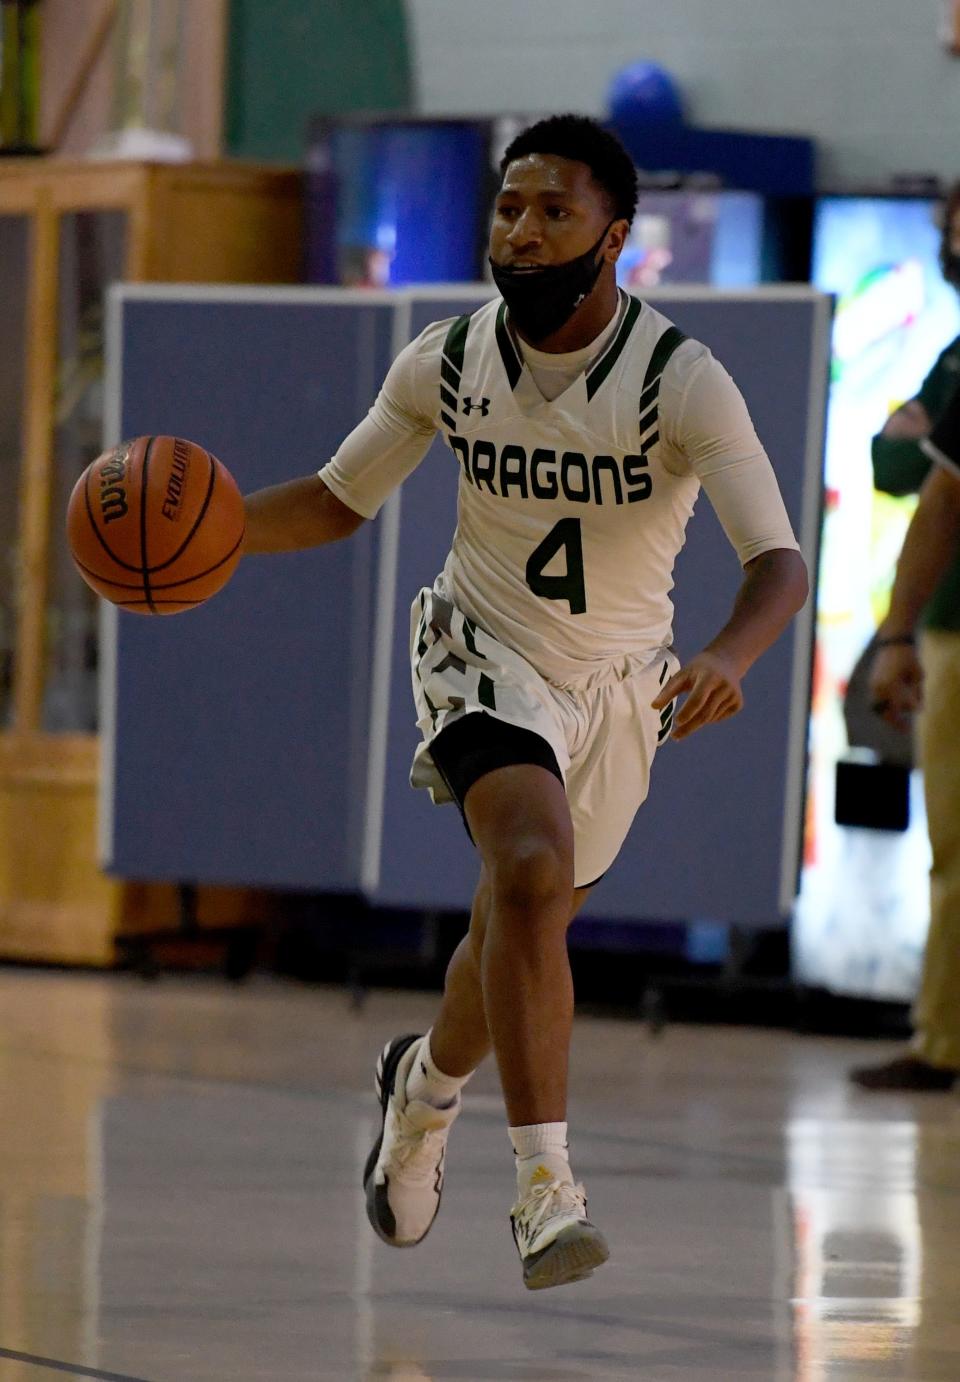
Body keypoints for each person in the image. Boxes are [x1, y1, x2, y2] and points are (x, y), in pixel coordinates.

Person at [242, 114, 808, 1290]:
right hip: (478, 643)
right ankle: (547, 1188)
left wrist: (733, 656)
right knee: (531, 867)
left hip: (617, 687)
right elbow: (342, 499)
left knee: (521, 921)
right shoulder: (445, 361)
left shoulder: (679, 378)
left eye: (555, 210)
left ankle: (425, 1085)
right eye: (509, 206)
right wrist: (214, 539)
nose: (524, 228)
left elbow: (779, 563)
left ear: (613, 238)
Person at [850, 185, 960, 1092]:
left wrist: (896, 633)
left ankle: (944, 1040)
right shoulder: (955, 355)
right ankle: (943, 1036)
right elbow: (893, 462)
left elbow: (932, 476)